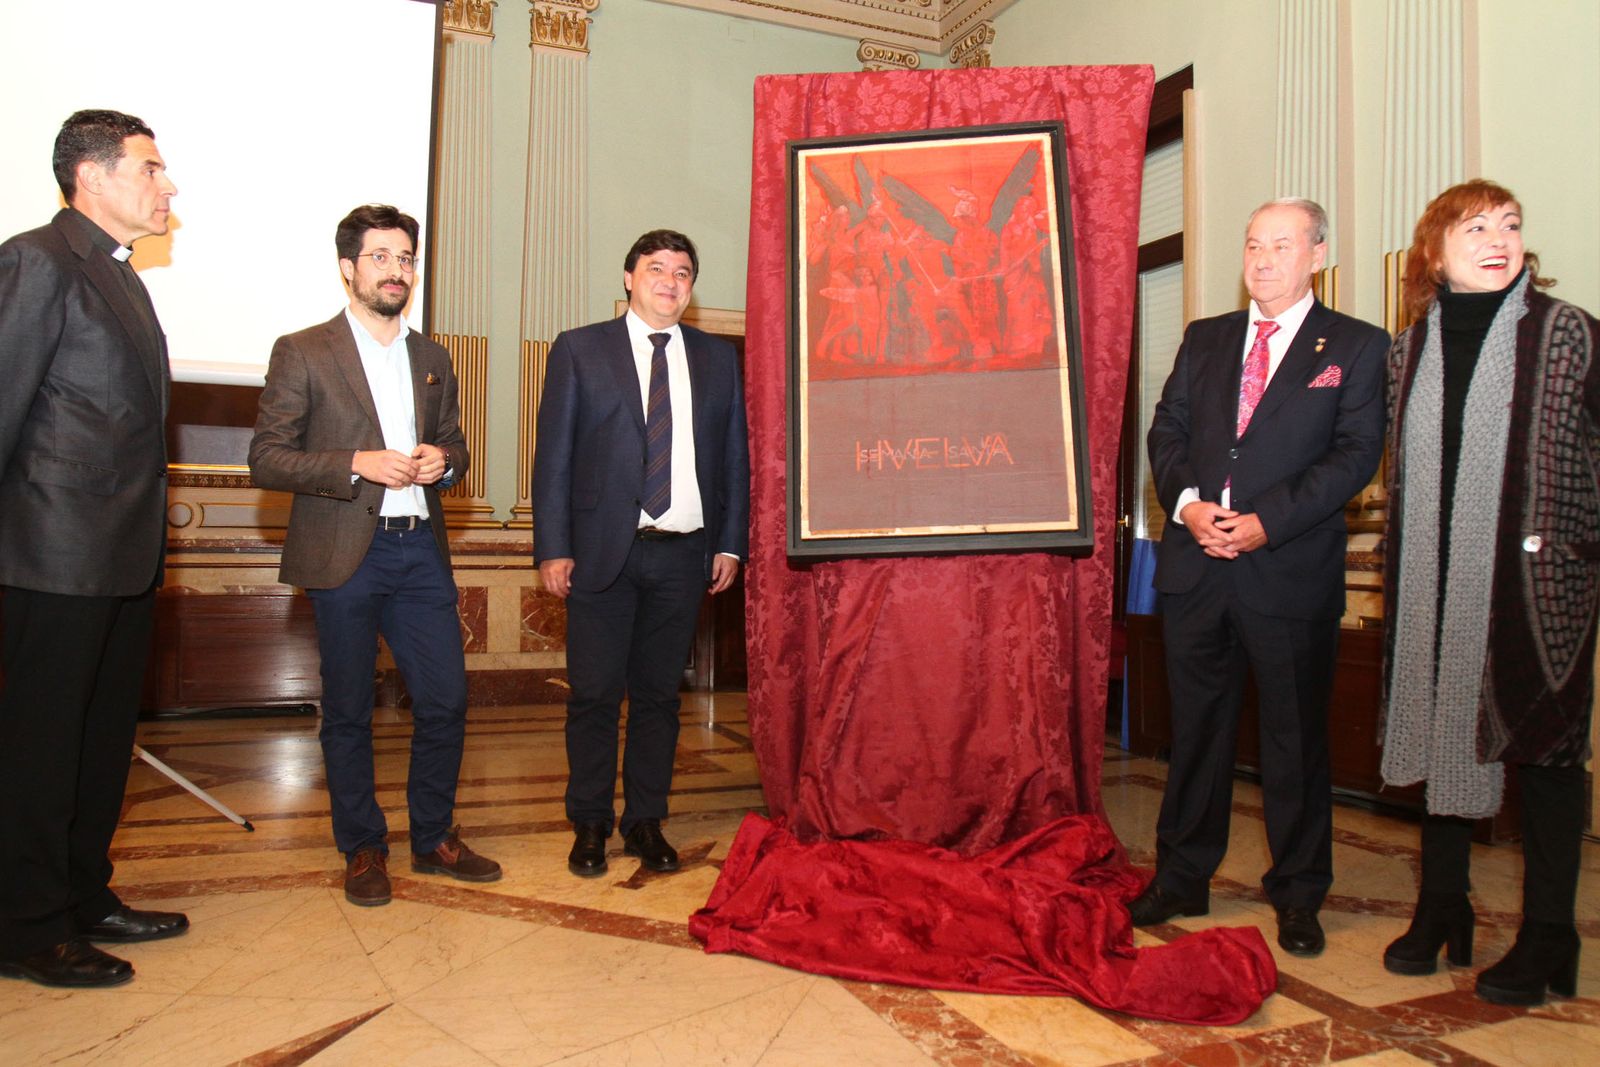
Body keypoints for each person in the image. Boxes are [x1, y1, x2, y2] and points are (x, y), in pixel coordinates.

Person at [1139, 198, 1388, 957]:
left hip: (1286, 573)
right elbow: (1167, 430)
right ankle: (1182, 874)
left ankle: (1300, 892)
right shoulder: (1206, 338)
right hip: (1198, 570)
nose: (1264, 258)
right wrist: (1186, 506)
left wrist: (1264, 520)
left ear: (1317, 253)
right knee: (1198, 735)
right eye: (1254, 243)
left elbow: (1354, 455)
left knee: (1294, 742)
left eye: (1282, 244)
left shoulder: (1356, 345)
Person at [1378, 180, 1596, 1006]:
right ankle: (1442, 906)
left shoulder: (1568, 333)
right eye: (1476, 225)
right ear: (1434, 250)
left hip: (1543, 584)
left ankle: (1548, 934)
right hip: (1436, 578)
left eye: (1510, 224)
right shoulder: (1408, 351)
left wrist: (1579, 542)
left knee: (1544, 750)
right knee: (1442, 729)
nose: (1498, 236)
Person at [249, 204, 500, 907]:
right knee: (351, 709)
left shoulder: (432, 358)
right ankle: (362, 846)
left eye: (407, 258)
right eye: (382, 257)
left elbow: (458, 445)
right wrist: (355, 462)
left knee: (446, 699)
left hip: (419, 549)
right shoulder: (303, 351)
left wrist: (441, 461)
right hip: (344, 555)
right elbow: (266, 458)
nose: (397, 271)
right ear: (349, 268)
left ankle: (434, 835)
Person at [0, 110, 188, 989]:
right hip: (50, 559)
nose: (167, 185)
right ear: (93, 175)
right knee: (42, 748)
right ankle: (28, 925)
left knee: (101, 741)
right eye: (150, 168)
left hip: (120, 557)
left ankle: (83, 894)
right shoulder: (38, 260)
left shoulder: (123, 277)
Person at [533, 229, 750, 878]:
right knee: (595, 695)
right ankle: (591, 823)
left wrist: (731, 541)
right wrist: (554, 547)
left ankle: (645, 820)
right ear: (629, 278)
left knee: (659, 697)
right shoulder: (580, 350)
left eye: (683, 271)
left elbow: (735, 457)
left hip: (684, 557)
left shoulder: (716, 359)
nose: (670, 280)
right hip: (604, 555)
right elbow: (554, 459)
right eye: (656, 268)